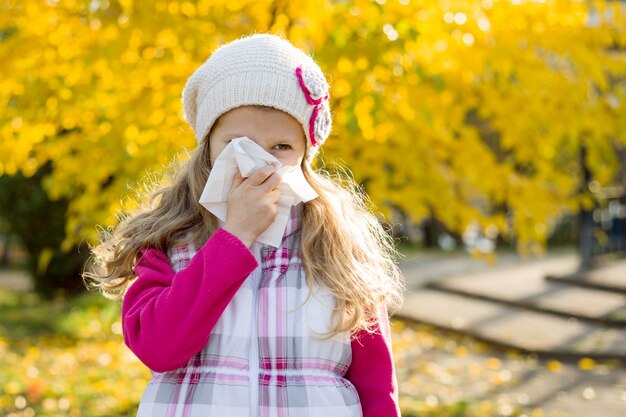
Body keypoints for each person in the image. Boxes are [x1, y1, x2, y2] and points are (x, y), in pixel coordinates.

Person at [84, 33, 404, 417]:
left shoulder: (337, 244)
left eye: (281, 147)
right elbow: (157, 348)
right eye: (238, 143)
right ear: (208, 148)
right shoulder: (168, 240)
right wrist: (234, 238)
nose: (259, 162)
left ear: (304, 153)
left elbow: (376, 385)